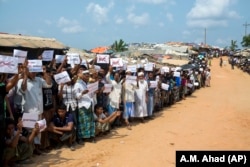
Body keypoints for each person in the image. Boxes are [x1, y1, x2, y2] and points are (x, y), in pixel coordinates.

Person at [16, 64, 52, 155]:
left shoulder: (39, 80)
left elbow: (48, 84)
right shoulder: (21, 81)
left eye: (35, 71)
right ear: (27, 71)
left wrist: (44, 72)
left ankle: (36, 149)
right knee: (30, 131)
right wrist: (24, 76)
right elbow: (23, 90)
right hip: (29, 111)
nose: (34, 73)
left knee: (38, 130)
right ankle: (30, 151)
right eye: (31, 71)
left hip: (39, 110)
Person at [73, 68, 95, 144]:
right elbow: (76, 96)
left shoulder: (89, 84)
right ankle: (81, 138)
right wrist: (82, 93)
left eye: (88, 76)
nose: (87, 77)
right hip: (82, 105)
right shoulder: (78, 84)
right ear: (82, 76)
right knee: (82, 122)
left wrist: (94, 92)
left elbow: (91, 95)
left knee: (89, 122)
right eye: (86, 75)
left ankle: (89, 137)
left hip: (90, 104)